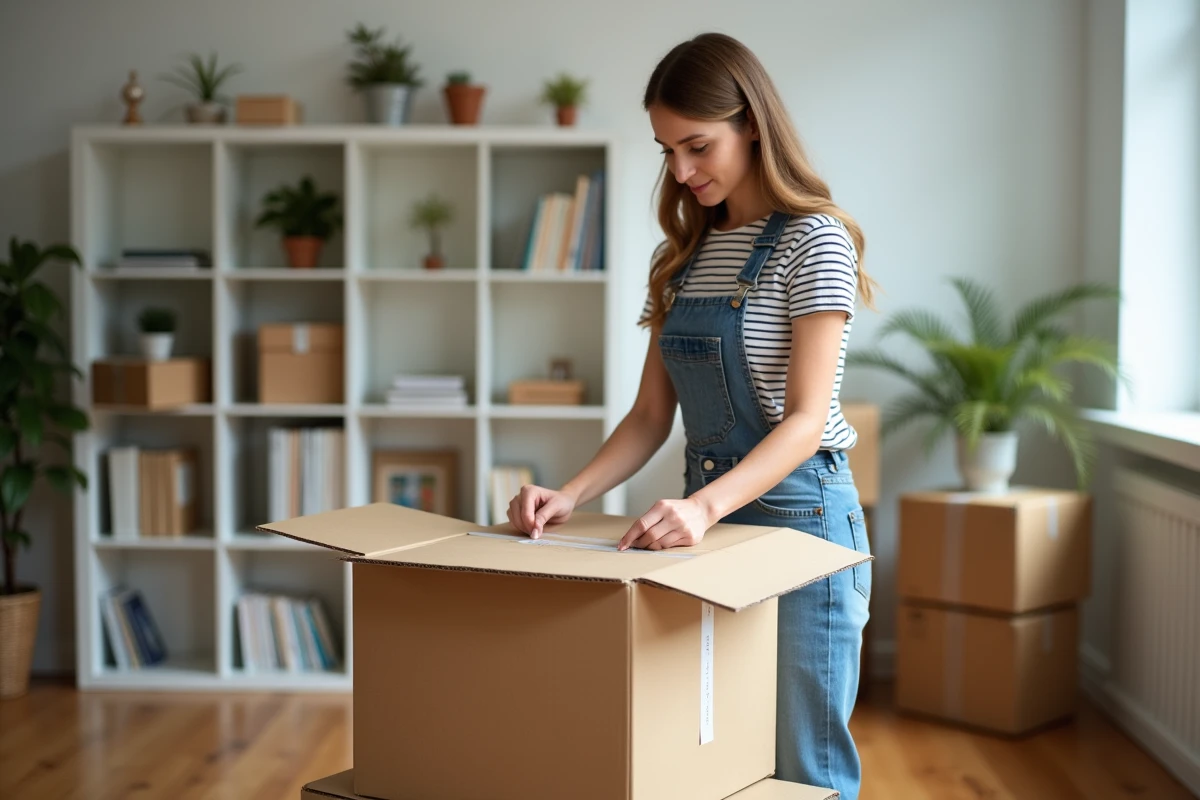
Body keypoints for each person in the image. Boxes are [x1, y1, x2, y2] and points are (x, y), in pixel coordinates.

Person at [506, 31, 877, 800]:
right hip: (708, 528)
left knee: (805, 767)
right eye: (666, 150)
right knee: (715, 754)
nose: (681, 170)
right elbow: (649, 414)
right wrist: (572, 494)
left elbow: (808, 419)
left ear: (752, 124)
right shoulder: (683, 253)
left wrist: (703, 507)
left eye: (697, 145)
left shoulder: (817, 241)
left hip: (803, 525)